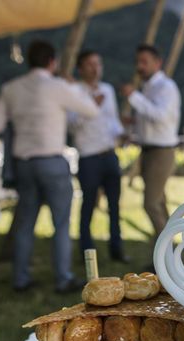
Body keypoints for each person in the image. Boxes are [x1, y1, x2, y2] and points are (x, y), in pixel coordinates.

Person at [0, 40, 100, 293]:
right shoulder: (57, 86)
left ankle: (20, 279)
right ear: (53, 62)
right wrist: (74, 88)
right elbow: (91, 110)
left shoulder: (10, 88)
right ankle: (63, 279)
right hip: (52, 161)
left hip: (24, 164)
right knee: (61, 223)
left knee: (25, 223)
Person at [70, 50, 128, 263]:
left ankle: (117, 249)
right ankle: (86, 252)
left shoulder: (108, 90)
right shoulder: (74, 91)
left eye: (98, 63)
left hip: (109, 154)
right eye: (90, 64)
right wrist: (92, 105)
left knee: (115, 205)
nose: (95, 68)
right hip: (88, 157)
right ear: (80, 68)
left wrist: (121, 132)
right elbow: (72, 124)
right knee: (88, 206)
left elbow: (111, 120)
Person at [121, 44, 181, 240]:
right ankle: (170, 257)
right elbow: (152, 120)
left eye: (144, 62)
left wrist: (134, 97)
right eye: (138, 62)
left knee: (151, 204)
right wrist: (134, 124)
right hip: (149, 151)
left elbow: (161, 116)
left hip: (161, 152)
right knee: (159, 203)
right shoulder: (148, 88)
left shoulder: (166, 87)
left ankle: (165, 257)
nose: (140, 66)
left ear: (158, 63)